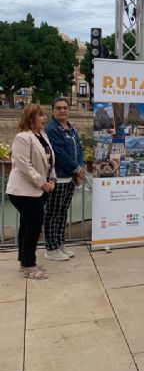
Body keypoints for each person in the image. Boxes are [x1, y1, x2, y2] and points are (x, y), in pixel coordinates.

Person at [7, 104, 56, 279]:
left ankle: (25, 261)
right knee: (34, 224)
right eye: (40, 115)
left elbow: (49, 161)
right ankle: (29, 265)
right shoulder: (22, 137)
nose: (44, 118)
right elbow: (24, 166)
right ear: (30, 118)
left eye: (44, 115)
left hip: (36, 190)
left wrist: (52, 179)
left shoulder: (42, 135)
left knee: (27, 225)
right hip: (22, 191)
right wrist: (43, 184)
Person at [44, 98, 84, 261]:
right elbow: (59, 154)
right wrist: (76, 168)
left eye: (65, 108)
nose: (62, 111)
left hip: (70, 178)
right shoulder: (52, 129)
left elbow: (79, 149)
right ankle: (51, 248)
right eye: (58, 108)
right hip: (58, 178)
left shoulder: (71, 128)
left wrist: (79, 168)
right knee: (52, 214)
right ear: (53, 110)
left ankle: (60, 243)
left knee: (62, 213)